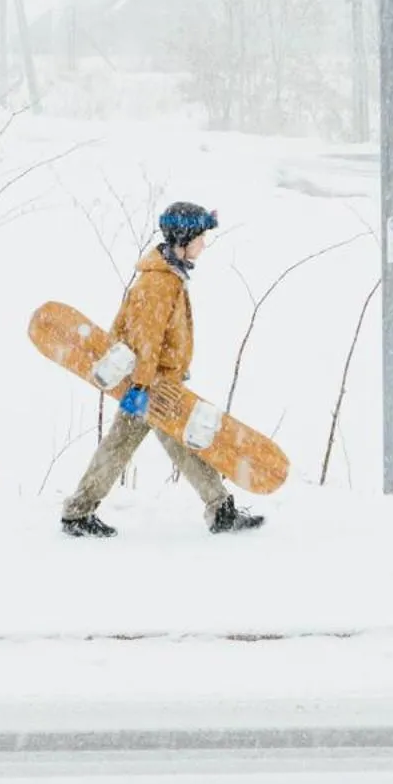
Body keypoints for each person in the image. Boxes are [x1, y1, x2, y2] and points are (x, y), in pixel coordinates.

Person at [60, 201, 266, 538]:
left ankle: (219, 507)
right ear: (183, 239)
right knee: (135, 445)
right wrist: (141, 388)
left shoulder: (169, 277)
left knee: (166, 441)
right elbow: (146, 339)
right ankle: (77, 513)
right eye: (200, 237)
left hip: (157, 382)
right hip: (150, 384)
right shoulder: (157, 284)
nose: (204, 245)